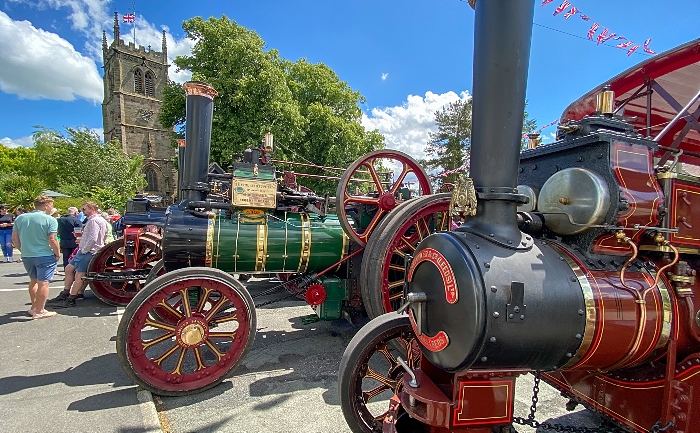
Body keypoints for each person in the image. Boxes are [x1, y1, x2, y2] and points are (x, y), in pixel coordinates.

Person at [49, 201, 108, 309]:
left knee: (79, 275)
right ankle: (65, 293)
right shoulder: (99, 220)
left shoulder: (94, 221)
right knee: (68, 269)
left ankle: (71, 298)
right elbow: (104, 235)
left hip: (89, 251)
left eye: (84, 209)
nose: (82, 211)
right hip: (87, 249)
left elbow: (93, 238)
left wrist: (84, 249)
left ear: (92, 209)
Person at [11, 195, 60, 319]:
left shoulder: (20, 218)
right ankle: (40, 310)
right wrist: (57, 253)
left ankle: (34, 307)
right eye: (51, 205)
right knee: (43, 282)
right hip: (44, 254)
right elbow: (52, 239)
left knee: (33, 280)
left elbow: (14, 238)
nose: (52, 208)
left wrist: (22, 249)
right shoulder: (50, 220)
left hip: (27, 254)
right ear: (46, 205)